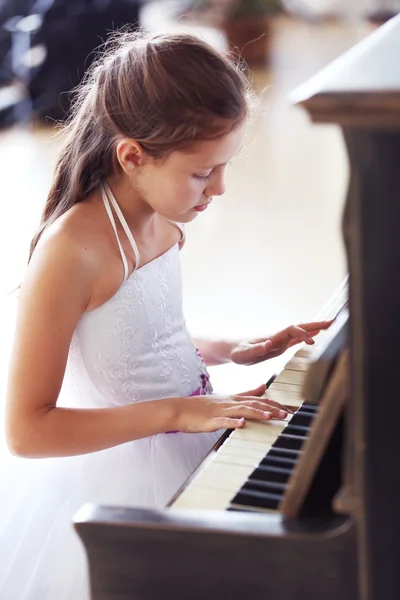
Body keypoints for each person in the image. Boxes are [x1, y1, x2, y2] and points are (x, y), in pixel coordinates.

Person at [1, 31, 332, 600]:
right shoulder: (70, 253)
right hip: (120, 471)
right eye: (204, 173)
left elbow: (133, 338)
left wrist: (233, 348)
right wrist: (178, 410)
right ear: (132, 155)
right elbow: (27, 430)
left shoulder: (158, 216)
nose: (219, 189)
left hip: (179, 428)